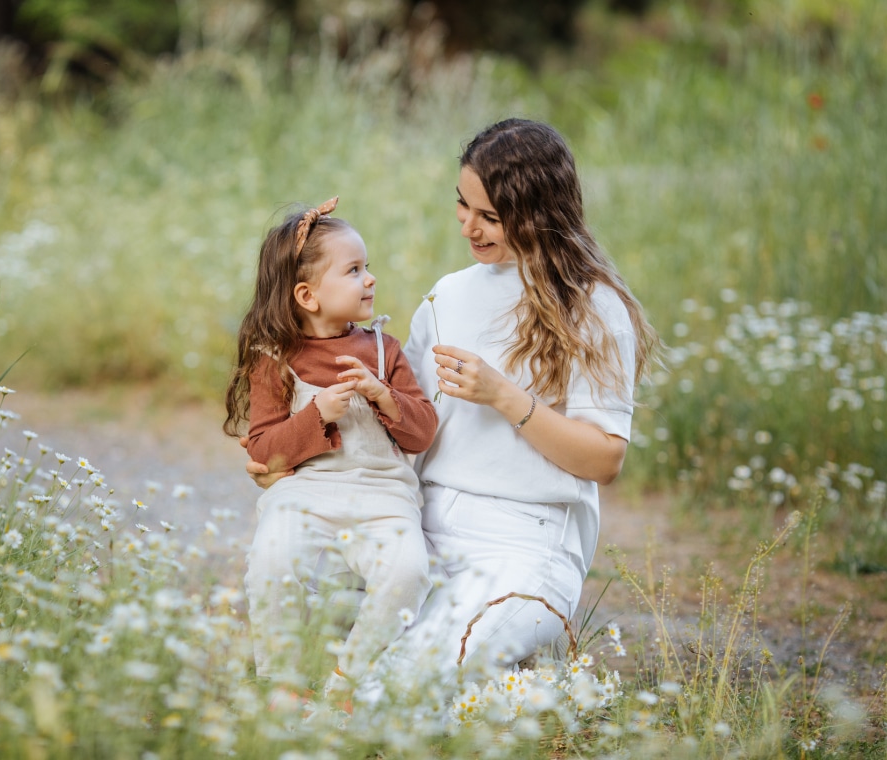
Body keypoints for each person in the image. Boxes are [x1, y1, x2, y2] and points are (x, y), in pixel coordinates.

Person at [247, 119, 658, 694]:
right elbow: (398, 425)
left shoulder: (594, 309)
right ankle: (490, 686)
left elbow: (604, 461)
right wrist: (284, 454)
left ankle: (548, 692)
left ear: (538, 214)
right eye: (462, 205)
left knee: (393, 688)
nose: (468, 225)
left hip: (524, 539)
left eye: (489, 216)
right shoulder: (448, 295)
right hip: (423, 524)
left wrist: (504, 396)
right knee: (303, 635)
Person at [224, 197, 438, 695]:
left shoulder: (384, 350)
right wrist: (316, 415)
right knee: (274, 560)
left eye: (369, 267)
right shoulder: (275, 359)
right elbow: (263, 451)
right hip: (307, 494)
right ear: (308, 295)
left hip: (384, 497)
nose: (371, 279)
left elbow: (424, 429)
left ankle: (349, 680)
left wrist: (383, 394)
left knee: (408, 571)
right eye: (355, 270)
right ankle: (283, 684)